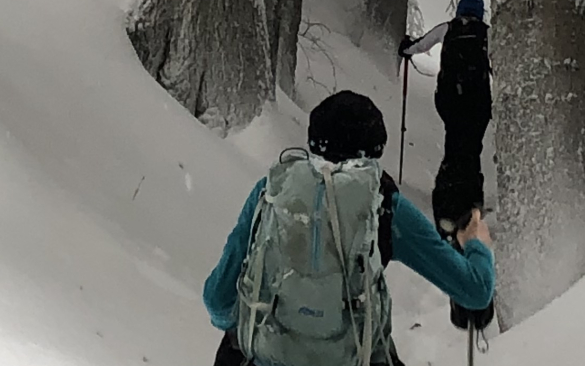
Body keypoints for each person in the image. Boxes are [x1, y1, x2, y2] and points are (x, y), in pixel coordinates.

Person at [204, 90, 494, 366]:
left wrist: (261, 334)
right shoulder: (383, 204)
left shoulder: (271, 192)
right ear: (373, 153)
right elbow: (475, 291)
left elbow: (217, 301)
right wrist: (476, 244)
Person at [400, 0, 494, 331]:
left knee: (455, 147)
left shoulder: (449, 28)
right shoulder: (487, 35)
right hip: (478, 105)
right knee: (471, 151)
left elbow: (420, 45)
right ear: (480, 13)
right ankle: (471, 202)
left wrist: (406, 48)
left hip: (451, 103)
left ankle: (448, 203)